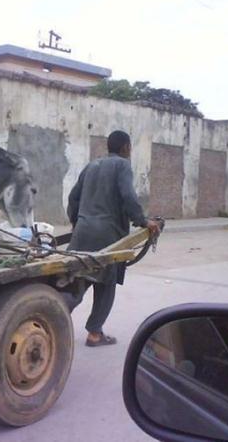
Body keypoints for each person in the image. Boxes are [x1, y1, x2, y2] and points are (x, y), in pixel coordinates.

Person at [66, 130, 160, 347]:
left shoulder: (92, 165)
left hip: (82, 233)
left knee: (77, 280)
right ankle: (95, 334)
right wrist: (143, 221)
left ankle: (52, 316)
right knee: (106, 283)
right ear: (126, 147)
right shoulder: (122, 165)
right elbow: (128, 196)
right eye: (130, 147)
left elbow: (73, 198)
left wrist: (77, 223)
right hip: (108, 235)